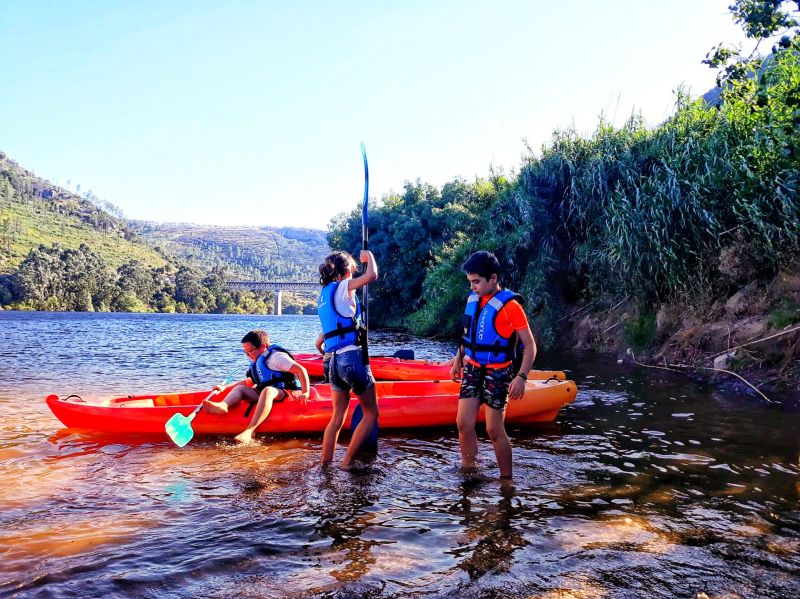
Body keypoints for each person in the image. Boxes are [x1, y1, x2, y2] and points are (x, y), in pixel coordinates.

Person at [449, 251, 537, 479]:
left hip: (498, 373)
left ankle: (506, 481)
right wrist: (458, 360)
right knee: (463, 423)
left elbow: (530, 346)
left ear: (493, 278)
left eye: (476, 282)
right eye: (470, 282)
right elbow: (468, 335)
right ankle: (470, 470)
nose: (472, 287)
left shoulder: (511, 307)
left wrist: (521, 377)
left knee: (493, 430)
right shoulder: (473, 300)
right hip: (472, 368)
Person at [317, 249, 378, 469]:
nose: (354, 273)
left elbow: (320, 341)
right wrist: (369, 257)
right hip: (352, 358)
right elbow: (371, 276)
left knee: (336, 418)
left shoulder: (325, 293)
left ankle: (325, 466)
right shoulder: (343, 286)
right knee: (371, 414)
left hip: (333, 362)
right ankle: (347, 463)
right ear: (345, 271)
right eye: (352, 269)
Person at [203, 329, 310, 444]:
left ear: (263, 346)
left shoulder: (276, 357)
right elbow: (248, 382)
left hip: (287, 393)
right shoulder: (258, 361)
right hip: (267, 393)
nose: (248, 355)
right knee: (240, 388)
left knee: (268, 390)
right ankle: (224, 406)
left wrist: (305, 392)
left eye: (250, 351)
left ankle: (250, 430)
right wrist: (224, 388)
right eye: (245, 353)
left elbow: (301, 370)